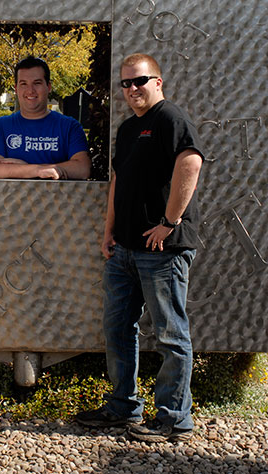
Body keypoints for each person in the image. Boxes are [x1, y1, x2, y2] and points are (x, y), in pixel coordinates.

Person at [76, 53, 203, 442]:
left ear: (158, 82)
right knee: (117, 329)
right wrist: (108, 231)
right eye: (126, 83)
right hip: (124, 249)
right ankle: (123, 406)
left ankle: (174, 418)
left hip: (162, 251)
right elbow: (119, 180)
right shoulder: (129, 128)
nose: (132, 89)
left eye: (140, 81)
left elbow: (191, 163)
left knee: (169, 334)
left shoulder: (171, 118)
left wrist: (169, 222)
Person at [0, 56, 91, 179]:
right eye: (23, 84)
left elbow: (83, 169)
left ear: (49, 87)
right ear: (16, 89)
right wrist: (38, 170)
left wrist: (24, 168)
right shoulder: (1, 126)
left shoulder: (70, 126)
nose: (30, 90)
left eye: (37, 83)